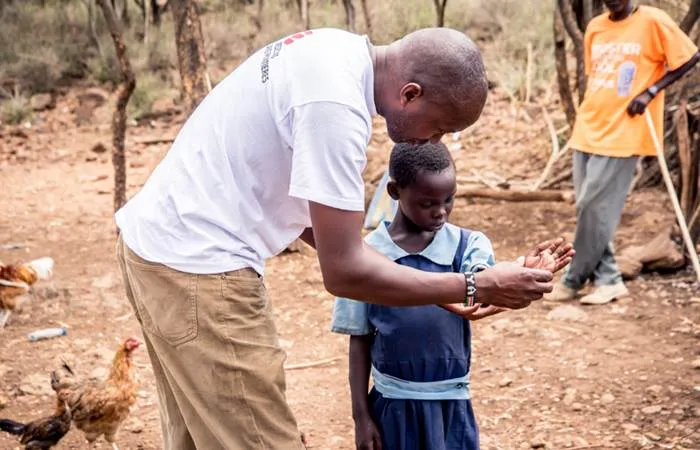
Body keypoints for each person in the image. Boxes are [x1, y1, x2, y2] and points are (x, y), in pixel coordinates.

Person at [114, 27, 572, 449]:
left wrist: (433, 284)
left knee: (202, 437)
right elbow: (345, 270)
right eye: (440, 127)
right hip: (198, 272)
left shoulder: (334, 52)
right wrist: (476, 286)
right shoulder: (335, 109)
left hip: (159, 252)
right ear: (410, 94)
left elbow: (333, 232)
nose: (437, 140)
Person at [331, 142, 572, 450]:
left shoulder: (467, 246)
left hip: (452, 406)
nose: (441, 211)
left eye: (449, 198)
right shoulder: (366, 257)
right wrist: (361, 417)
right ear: (394, 192)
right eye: (427, 202)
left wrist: (521, 270)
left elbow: (481, 294)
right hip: (392, 406)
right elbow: (359, 340)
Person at [547, 0, 700, 305]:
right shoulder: (595, 27)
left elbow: (689, 57)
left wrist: (651, 91)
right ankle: (608, 280)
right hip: (588, 129)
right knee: (588, 210)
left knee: (592, 206)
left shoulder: (652, 20)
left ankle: (573, 280)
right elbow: (598, 77)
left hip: (624, 130)